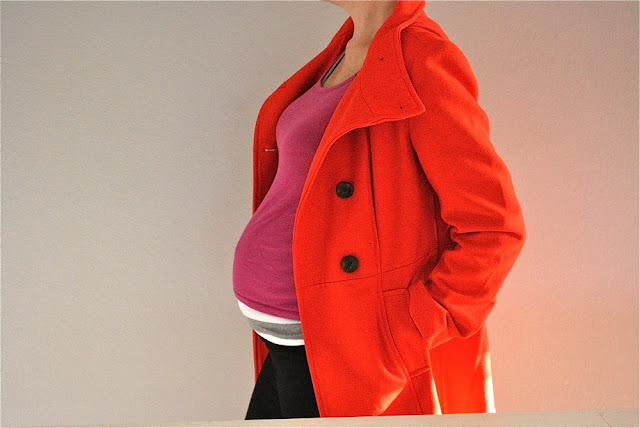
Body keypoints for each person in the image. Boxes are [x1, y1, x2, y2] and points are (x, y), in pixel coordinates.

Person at [232, 0, 526, 420]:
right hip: (288, 340)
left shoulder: (424, 58)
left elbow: (494, 227)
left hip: (345, 349)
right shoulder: (350, 48)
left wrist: (405, 332)